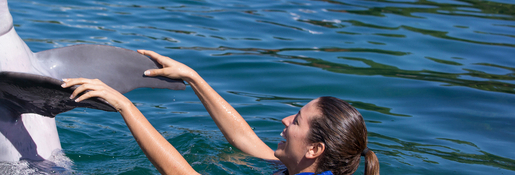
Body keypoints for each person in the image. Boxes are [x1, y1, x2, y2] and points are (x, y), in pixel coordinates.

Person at [62, 50, 380, 175]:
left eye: (296, 121)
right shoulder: (305, 167)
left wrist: (125, 106)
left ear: (314, 149)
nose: (285, 120)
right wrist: (193, 77)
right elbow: (246, 140)